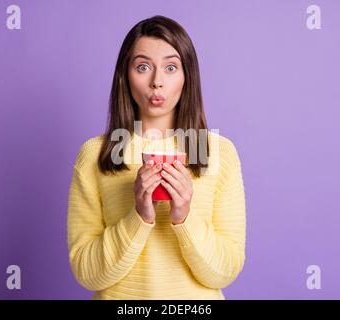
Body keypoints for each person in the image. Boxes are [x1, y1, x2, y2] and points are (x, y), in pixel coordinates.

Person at [67, 15, 246, 300]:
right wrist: (138, 216)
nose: (157, 82)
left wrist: (184, 217)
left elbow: (225, 271)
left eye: (171, 67)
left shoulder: (217, 152)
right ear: (125, 76)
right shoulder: (97, 154)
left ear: (187, 76)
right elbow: (87, 274)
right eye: (143, 67)